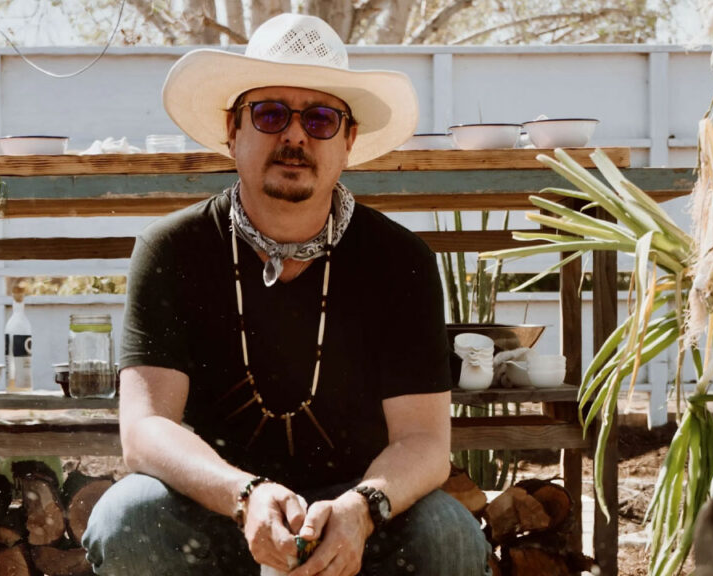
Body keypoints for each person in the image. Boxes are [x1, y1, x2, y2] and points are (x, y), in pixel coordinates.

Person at [83, 13, 491, 576]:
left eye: (321, 119)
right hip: (217, 502)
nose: (295, 136)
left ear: (348, 141)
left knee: (447, 536)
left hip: (355, 507)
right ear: (233, 130)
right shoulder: (171, 249)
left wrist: (361, 508)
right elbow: (145, 428)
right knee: (126, 519)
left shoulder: (401, 260)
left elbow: (424, 440)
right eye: (270, 114)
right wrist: (245, 496)